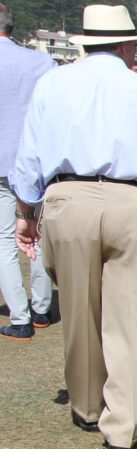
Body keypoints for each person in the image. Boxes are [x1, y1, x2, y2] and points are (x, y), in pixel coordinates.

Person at [10, 3, 137, 449]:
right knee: (133, 318)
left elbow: (28, 155)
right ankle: (123, 426)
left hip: (67, 199)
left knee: (78, 310)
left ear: (87, 44)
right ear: (127, 45)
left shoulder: (53, 83)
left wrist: (26, 210)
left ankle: (88, 406)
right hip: (132, 201)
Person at [0, 1, 56, 341]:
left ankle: (20, 316)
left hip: (2, 163)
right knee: (39, 233)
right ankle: (41, 309)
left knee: (5, 239)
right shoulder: (43, 62)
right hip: (37, 162)